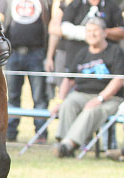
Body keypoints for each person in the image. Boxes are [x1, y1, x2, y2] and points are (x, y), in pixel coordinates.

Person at [0, 0, 54, 142]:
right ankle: (10, 134)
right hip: (13, 53)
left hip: (38, 53)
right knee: (12, 95)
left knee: (40, 96)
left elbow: (54, 23)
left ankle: (41, 135)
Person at [52, 17, 124, 157]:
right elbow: (69, 79)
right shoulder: (82, 53)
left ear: (104, 33)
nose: (92, 34)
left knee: (92, 110)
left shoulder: (115, 51)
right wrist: (60, 101)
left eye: (95, 31)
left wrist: (100, 98)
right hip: (82, 94)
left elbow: (119, 80)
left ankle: (67, 145)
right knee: (68, 103)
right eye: (88, 31)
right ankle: (62, 142)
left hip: (111, 98)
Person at [55, 0, 124, 63]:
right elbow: (63, 28)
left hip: (105, 62)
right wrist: (86, 33)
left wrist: (103, 32)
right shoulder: (74, 5)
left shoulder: (113, 6)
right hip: (76, 60)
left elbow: (121, 31)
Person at [46, 0, 87, 90]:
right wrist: (49, 57)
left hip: (86, 54)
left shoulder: (92, 4)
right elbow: (53, 29)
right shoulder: (63, 4)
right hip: (64, 53)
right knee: (63, 91)